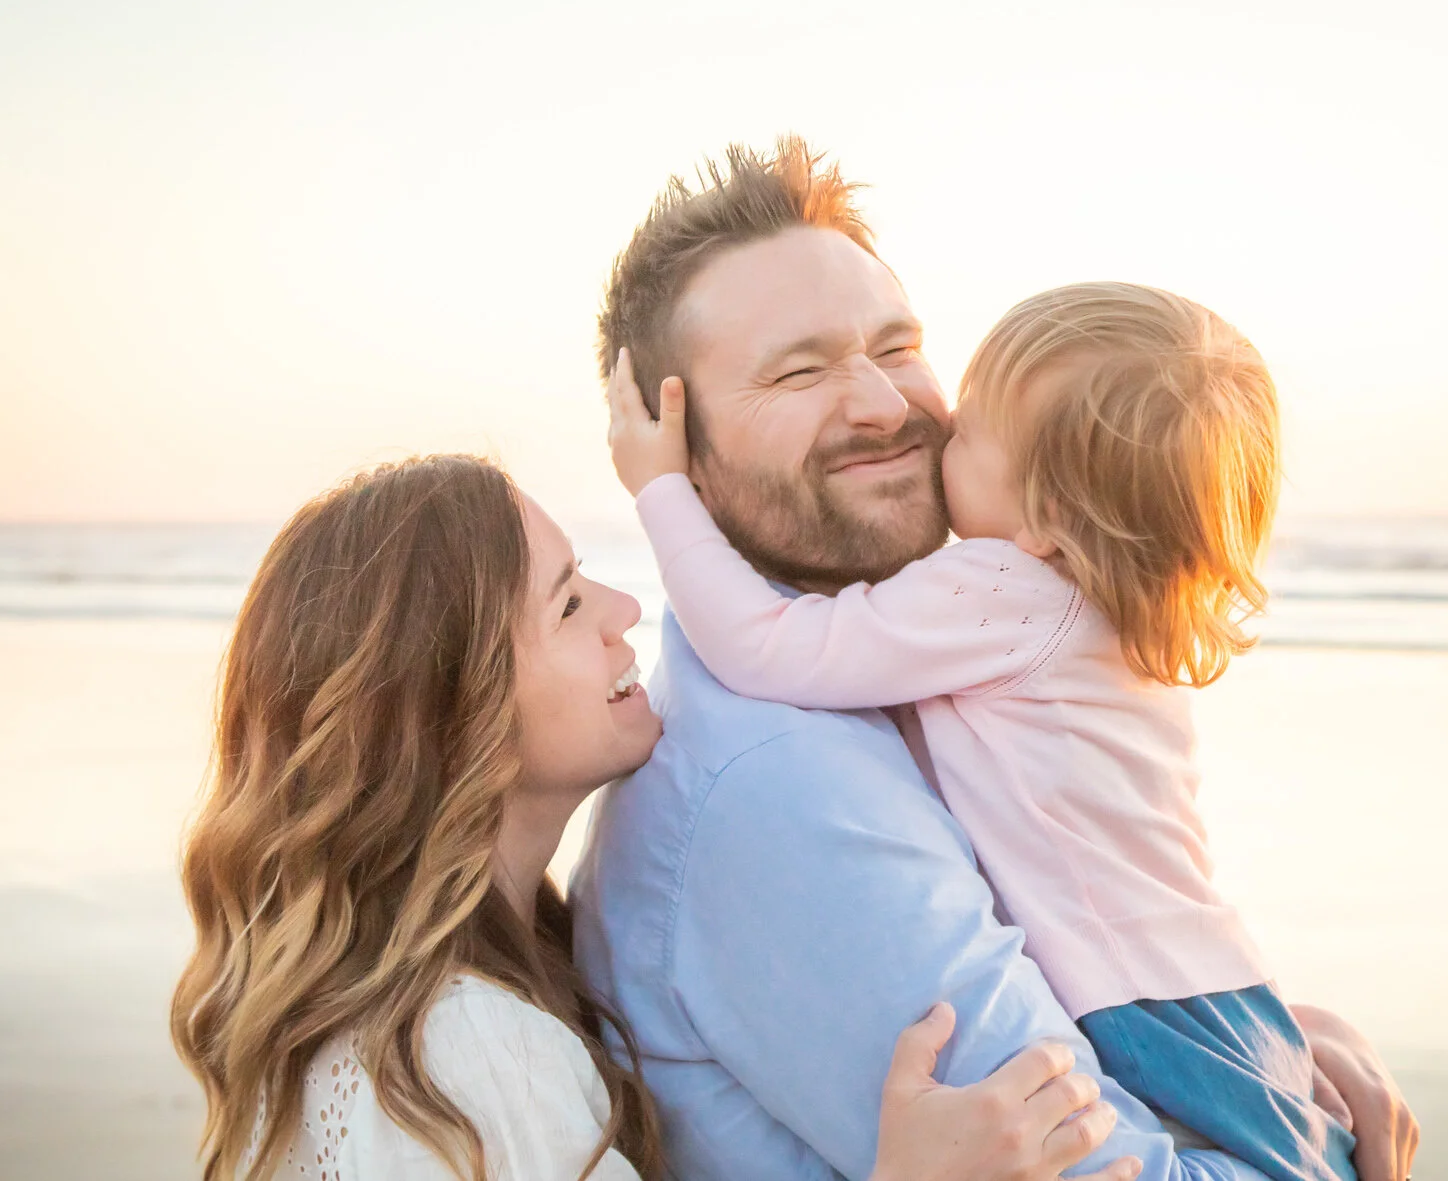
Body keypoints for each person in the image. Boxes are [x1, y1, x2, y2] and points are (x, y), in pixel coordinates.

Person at [576, 138, 1420, 1181]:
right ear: (676, 448)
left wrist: (1278, 1048)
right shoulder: (781, 783)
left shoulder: (909, 676)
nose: (886, 406)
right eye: (796, 371)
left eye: (895, 346)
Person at [169, 455, 1134, 1181]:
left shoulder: (486, 987)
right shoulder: (458, 1053)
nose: (626, 608)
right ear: (446, 711)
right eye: (566, 605)